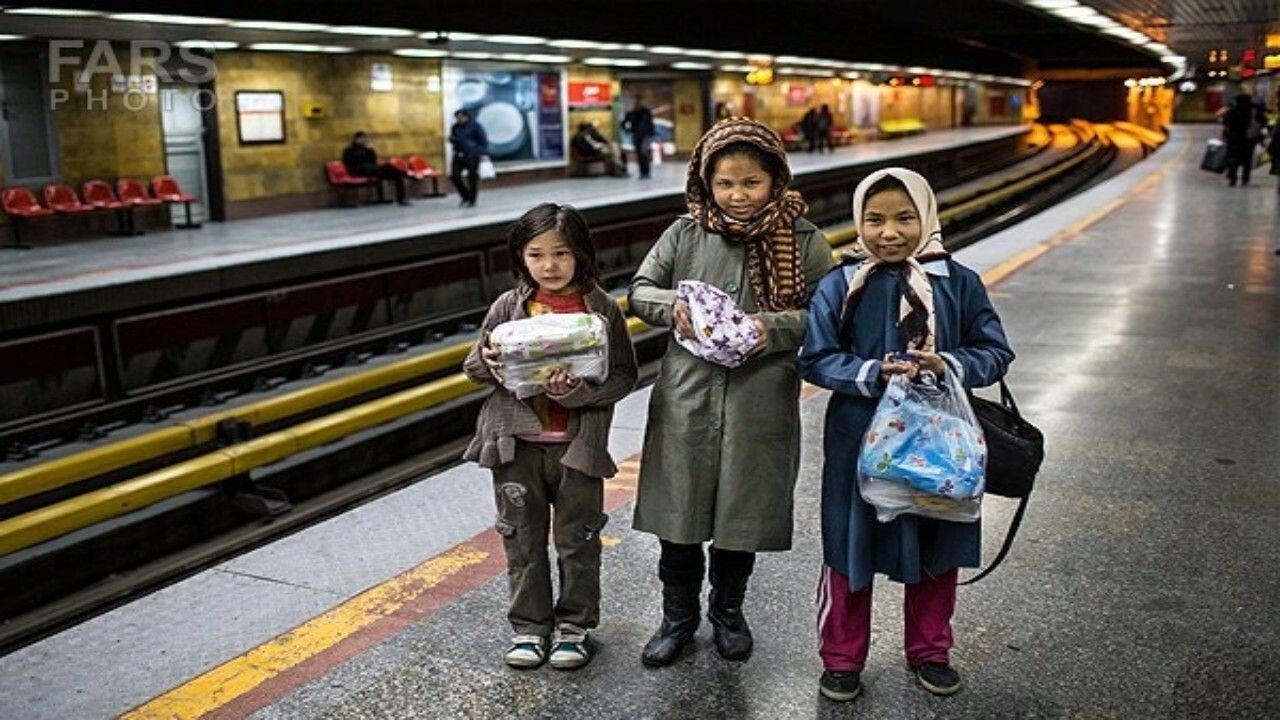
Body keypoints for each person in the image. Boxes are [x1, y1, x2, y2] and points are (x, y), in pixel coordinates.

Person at [798, 168, 1014, 702]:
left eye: (903, 218)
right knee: (849, 548)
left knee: (936, 546)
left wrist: (948, 363)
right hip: (859, 442)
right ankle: (842, 658)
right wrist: (871, 372)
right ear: (857, 223)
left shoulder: (957, 282)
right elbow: (816, 358)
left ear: (927, 217)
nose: (888, 232)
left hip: (943, 446)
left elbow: (996, 351)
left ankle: (931, 651)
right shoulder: (841, 285)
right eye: (874, 220)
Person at [628, 117, 835, 666]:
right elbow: (640, 290)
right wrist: (670, 306)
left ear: (776, 181)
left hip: (759, 395)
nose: (738, 196)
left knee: (740, 515)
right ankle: (677, 617)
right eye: (725, 183)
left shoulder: (806, 240)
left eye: (751, 183)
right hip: (687, 395)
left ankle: (728, 611)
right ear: (705, 182)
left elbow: (829, 313)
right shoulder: (685, 233)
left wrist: (775, 328)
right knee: (679, 511)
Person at [463, 203, 638, 670]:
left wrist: (579, 392)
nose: (550, 266)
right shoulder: (508, 307)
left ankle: (574, 626)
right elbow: (472, 366)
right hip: (515, 446)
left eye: (561, 253)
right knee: (521, 538)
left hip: (576, 448)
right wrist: (491, 363)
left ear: (581, 254)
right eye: (536, 255)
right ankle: (529, 627)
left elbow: (624, 375)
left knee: (578, 540)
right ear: (521, 258)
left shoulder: (599, 308)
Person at [341, 131, 411, 206]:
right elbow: (348, 163)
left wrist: (371, 150)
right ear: (356, 139)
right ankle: (405, 174)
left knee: (395, 174)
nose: (364, 141)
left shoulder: (366, 149)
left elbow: (373, 161)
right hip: (358, 170)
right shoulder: (349, 150)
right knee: (384, 168)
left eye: (365, 139)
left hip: (371, 169)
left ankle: (401, 199)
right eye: (362, 139)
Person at [1221, 93, 1268, 187]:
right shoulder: (1254, 109)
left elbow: (1225, 123)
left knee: (1233, 157)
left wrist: (1224, 135)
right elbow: (1264, 121)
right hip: (1249, 138)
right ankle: (1245, 178)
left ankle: (1232, 178)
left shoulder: (1233, 110)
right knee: (1247, 159)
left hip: (1234, 138)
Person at [449, 109, 489, 207]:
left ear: (466, 117)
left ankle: (472, 199)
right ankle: (465, 195)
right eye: (457, 118)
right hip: (459, 154)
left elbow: (483, 141)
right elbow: (454, 138)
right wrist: (452, 140)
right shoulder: (455, 127)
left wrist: (483, 154)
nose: (459, 119)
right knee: (455, 175)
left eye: (461, 117)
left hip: (472, 155)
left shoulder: (475, 126)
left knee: (472, 177)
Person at [622, 96, 656, 179]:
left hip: (646, 136)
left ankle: (646, 172)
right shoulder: (631, 114)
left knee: (644, 153)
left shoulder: (646, 112)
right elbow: (623, 123)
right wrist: (628, 130)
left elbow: (650, 124)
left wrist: (651, 135)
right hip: (636, 136)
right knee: (639, 154)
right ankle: (642, 172)